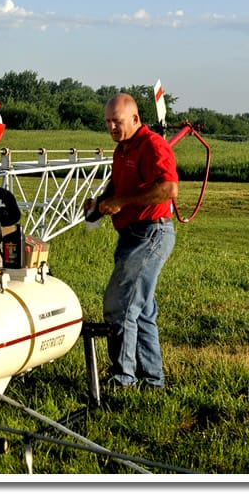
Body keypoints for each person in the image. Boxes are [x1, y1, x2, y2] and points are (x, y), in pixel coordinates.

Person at [85, 93, 178, 390]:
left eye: (118, 121)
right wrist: (102, 201)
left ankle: (123, 379)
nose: (112, 126)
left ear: (135, 119)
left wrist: (122, 202)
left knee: (120, 305)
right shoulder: (123, 148)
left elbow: (168, 189)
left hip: (150, 234)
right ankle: (152, 381)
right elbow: (119, 183)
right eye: (108, 122)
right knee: (141, 311)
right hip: (132, 235)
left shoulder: (152, 146)